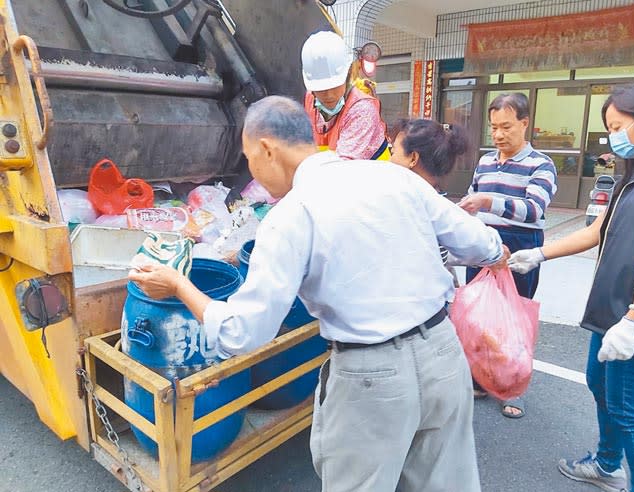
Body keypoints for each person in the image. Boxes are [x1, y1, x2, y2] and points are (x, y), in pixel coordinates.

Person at [129, 95, 509, 492]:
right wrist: (500, 253)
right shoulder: (393, 177)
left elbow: (242, 333)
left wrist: (178, 284)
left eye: (249, 158)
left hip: (371, 378)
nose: (252, 171)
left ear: (266, 149)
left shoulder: (291, 215)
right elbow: (483, 245)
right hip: (443, 356)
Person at [508, 83, 634, 492]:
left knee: (628, 409)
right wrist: (540, 253)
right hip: (610, 311)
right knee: (598, 382)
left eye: (619, 125)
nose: (613, 136)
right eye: (609, 127)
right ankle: (608, 464)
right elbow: (595, 231)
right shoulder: (631, 178)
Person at [459, 92, 558, 418]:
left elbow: (534, 210)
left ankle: (514, 388)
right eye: (494, 128)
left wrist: (487, 202)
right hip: (484, 245)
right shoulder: (486, 161)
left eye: (506, 127)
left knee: (514, 322)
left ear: (524, 123)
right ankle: (480, 378)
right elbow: (473, 198)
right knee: (479, 317)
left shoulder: (541, 165)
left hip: (521, 248)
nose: (499, 135)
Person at [388, 118, 468, 279]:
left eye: (393, 152)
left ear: (413, 159)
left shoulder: (411, 205)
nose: (390, 160)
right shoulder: (441, 203)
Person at [301, 30, 390, 160]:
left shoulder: (362, 110)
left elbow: (342, 170)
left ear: (347, 75)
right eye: (321, 88)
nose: (328, 94)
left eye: (334, 85)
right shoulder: (310, 100)